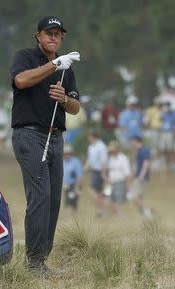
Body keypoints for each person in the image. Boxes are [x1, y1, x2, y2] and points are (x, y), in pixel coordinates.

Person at [10, 16, 81, 274]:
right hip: (29, 135)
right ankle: (33, 261)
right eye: (48, 33)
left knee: (52, 200)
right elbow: (21, 81)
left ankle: (41, 260)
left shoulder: (67, 68)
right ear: (38, 36)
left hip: (55, 137)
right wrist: (54, 66)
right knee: (39, 196)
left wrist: (64, 99)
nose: (53, 37)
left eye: (57, 34)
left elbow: (75, 107)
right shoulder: (25, 57)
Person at [103, 141, 131, 214]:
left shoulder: (123, 158)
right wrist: (106, 178)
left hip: (120, 183)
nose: (111, 151)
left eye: (112, 150)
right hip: (110, 184)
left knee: (118, 202)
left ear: (117, 149)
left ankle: (120, 217)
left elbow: (127, 173)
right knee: (107, 199)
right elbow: (105, 171)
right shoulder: (109, 159)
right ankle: (115, 215)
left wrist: (128, 186)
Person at [85, 130, 108, 217]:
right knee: (97, 193)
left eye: (90, 137)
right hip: (93, 171)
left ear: (93, 137)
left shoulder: (101, 146)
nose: (88, 139)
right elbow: (89, 159)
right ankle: (100, 211)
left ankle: (101, 209)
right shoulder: (90, 147)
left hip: (99, 171)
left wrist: (103, 172)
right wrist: (85, 167)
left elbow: (104, 161)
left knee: (93, 191)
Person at [130, 136, 153, 218]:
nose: (131, 143)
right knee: (139, 196)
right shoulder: (139, 151)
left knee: (133, 196)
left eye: (132, 141)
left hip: (140, 177)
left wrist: (141, 176)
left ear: (136, 141)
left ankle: (147, 212)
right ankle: (143, 214)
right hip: (139, 176)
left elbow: (146, 163)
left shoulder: (143, 150)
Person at [62, 144, 83, 213]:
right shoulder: (63, 162)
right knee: (69, 203)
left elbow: (79, 176)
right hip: (66, 186)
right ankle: (72, 220)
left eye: (68, 153)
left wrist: (77, 188)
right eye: (65, 153)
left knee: (71, 204)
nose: (67, 155)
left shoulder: (75, 162)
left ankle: (72, 221)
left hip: (73, 186)